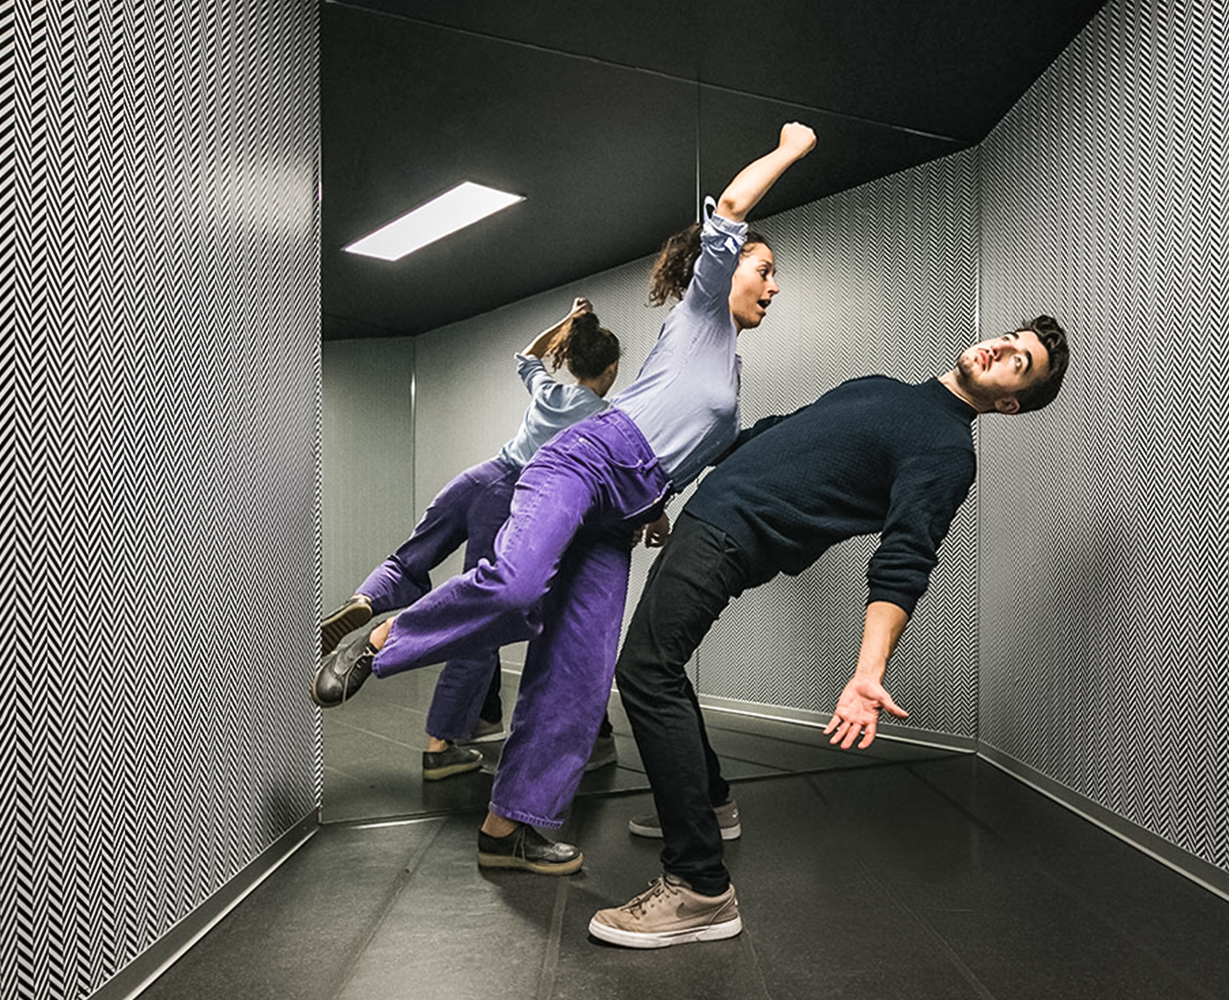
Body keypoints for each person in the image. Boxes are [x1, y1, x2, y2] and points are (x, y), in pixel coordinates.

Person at [314, 122, 818, 875]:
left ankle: (506, 829)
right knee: (515, 586)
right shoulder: (703, 310)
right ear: (720, 270)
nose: (773, 286)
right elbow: (735, 206)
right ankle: (383, 643)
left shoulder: (727, 372)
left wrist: (656, 509)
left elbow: (675, 450)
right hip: (585, 462)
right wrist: (789, 150)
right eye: (765, 270)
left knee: (581, 673)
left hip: (621, 512)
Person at [586, 316, 1071, 948]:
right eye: (1009, 338)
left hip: (738, 536)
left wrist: (868, 671)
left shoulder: (948, 451)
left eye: (1019, 363)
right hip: (712, 512)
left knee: (645, 671)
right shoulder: (881, 386)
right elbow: (775, 433)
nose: (1002, 348)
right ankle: (712, 804)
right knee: (662, 668)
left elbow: (906, 557)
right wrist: (666, 486)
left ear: (1008, 401)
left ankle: (699, 888)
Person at [315, 298, 625, 782]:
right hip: (515, 498)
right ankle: (440, 747)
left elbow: (525, 357)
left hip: (479, 478)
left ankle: (366, 597)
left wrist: (565, 323)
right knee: (478, 623)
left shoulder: (547, 391)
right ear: (609, 370)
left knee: (409, 559)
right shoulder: (602, 418)